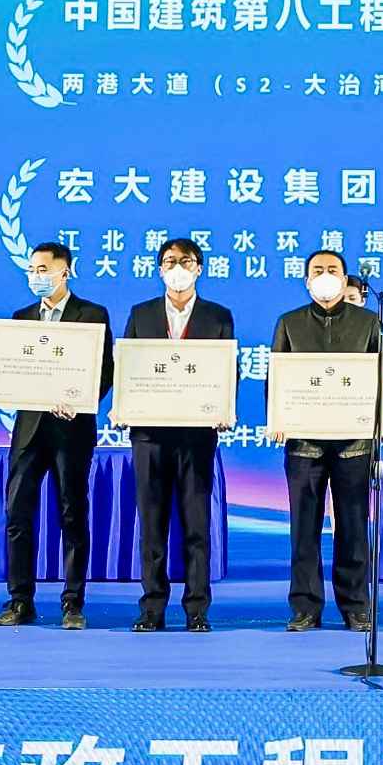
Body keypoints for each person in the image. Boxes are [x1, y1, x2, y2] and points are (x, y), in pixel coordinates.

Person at [0, 242, 115, 629]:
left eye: (43, 269)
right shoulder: (22, 317)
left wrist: (81, 400)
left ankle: (73, 603)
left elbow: (104, 371)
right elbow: (13, 370)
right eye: (32, 269)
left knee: (72, 514)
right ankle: (19, 600)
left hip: (71, 430)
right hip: (29, 430)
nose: (36, 276)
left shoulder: (92, 314)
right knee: (17, 514)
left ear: (66, 271)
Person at [122, 235, 233, 633]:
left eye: (186, 261)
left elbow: (227, 372)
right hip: (149, 436)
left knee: (195, 525)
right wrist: (125, 405)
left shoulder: (217, 316)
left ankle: (196, 608)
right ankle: (152, 607)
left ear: (199, 269)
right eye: (169, 261)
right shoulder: (141, 314)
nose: (177, 268)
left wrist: (224, 408)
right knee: (152, 525)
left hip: (196, 436)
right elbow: (128, 368)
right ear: (159, 269)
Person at [272, 247, 383, 632]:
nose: (325, 276)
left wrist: (380, 426)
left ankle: (356, 606)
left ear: (344, 277)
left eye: (332, 269)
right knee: (304, 528)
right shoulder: (289, 322)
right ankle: (305, 606)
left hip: (354, 441)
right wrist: (278, 418)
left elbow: (381, 379)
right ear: (307, 280)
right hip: (304, 442)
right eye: (317, 270)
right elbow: (277, 378)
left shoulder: (369, 322)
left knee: (353, 525)